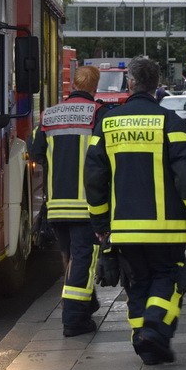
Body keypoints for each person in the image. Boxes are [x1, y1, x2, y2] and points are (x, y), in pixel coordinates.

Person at [85, 56, 186, 365]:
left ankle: (146, 343)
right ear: (157, 86)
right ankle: (154, 330)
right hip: (166, 231)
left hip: (124, 231)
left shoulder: (108, 124)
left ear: (130, 84)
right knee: (167, 280)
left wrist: (100, 223)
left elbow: (94, 178)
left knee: (137, 285)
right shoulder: (172, 124)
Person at [30, 65, 109, 337]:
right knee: (83, 259)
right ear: (94, 86)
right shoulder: (99, 113)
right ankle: (74, 319)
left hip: (56, 204)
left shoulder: (49, 115)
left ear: (73, 85)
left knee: (69, 258)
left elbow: (36, 154)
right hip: (87, 204)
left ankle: (85, 303)